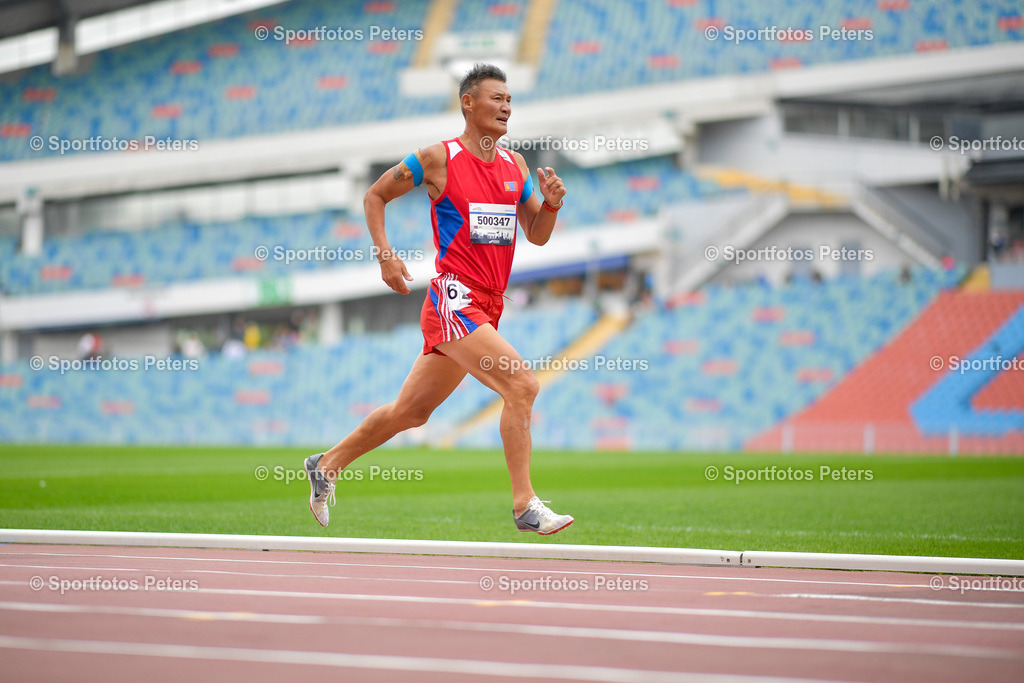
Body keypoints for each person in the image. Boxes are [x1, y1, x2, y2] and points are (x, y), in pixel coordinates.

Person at [304, 63, 573, 535]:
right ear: (468, 103)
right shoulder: (436, 159)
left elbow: (538, 234)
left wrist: (550, 203)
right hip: (454, 297)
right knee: (523, 385)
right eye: (496, 98)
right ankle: (524, 505)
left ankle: (326, 465)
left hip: (490, 304)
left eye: (510, 100)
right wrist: (386, 256)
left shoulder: (515, 166)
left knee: (411, 412)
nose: (506, 106)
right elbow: (374, 196)